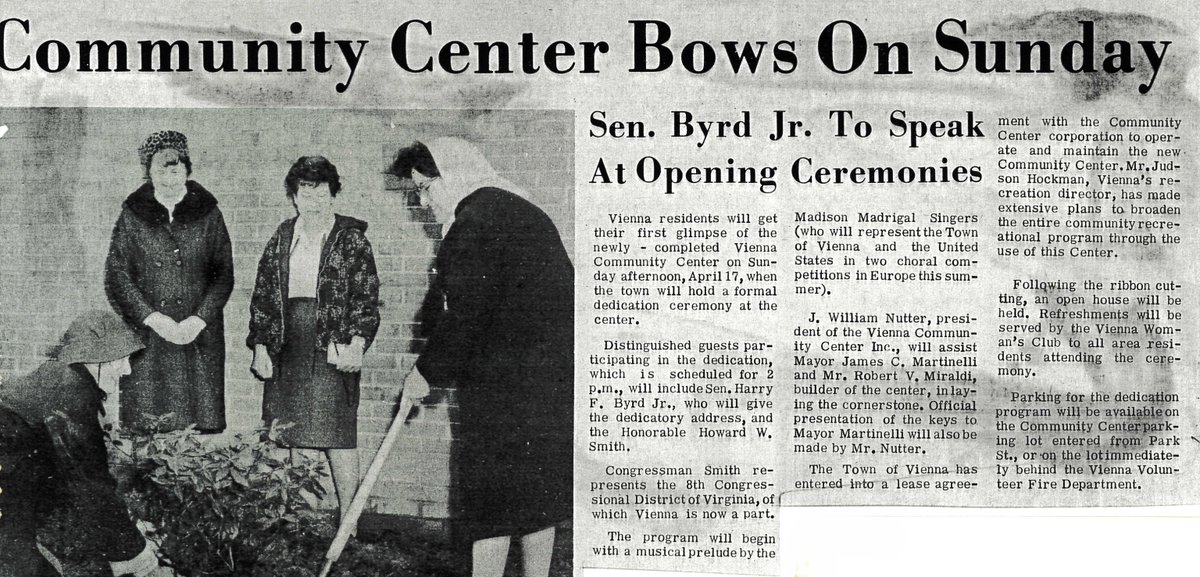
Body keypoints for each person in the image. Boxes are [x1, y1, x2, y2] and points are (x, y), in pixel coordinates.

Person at [389, 138, 573, 577]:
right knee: (535, 496)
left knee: (488, 499)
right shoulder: (518, 208)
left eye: (425, 188)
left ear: (451, 176)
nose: (422, 201)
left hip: (503, 388)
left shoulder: (475, 221)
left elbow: (466, 313)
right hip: (550, 382)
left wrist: (425, 372)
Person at [247, 156, 381, 525]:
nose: (313, 199)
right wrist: (261, 346)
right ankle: (300, 518)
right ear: (294, 196)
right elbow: (262, 296)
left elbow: (366, 297)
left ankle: (349, 522)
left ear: (333, 192)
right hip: (289, 342)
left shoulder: (351, 239)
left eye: (320, 190)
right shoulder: (282, 236)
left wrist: (357, 344)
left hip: (332, 345)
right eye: (304, 192)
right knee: (295, 432)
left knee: (337, 432)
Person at [0, 311, 174, 577]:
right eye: (122, 359)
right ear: (98, 357)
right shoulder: (73, 394)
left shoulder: (61, 378)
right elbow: (91, 484)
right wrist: (133, 553)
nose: (127, 370)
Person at [104, 130, 234, 433]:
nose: (169, 177)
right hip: (149, 337)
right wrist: (152, 318)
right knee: (149, 423)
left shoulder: (209, 214)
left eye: (175, 168)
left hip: (198, 337)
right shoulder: (132, 215)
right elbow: (117, 276)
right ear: (148, 173)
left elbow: (223, 276)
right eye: (160, 169)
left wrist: (198, 320)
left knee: (197, 423)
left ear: (187, 170)